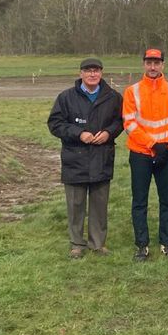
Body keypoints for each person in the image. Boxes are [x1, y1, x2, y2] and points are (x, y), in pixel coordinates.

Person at [47, 57, 123, 258]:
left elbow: (120, 121)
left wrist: (108, 133)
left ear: (101, 73)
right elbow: (55, 124)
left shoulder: (113, 97)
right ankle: (77, 244)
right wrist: (78, 133)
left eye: (96, 70)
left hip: (101, 157)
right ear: (80, 73)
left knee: (99, 205)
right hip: (75, 158)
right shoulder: (66, 97)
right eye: (88, 71)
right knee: (75, 204)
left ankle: (97, 243)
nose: (92, 74)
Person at [122, 48, 168, 261]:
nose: (152, 67)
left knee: (167, 200)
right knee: (139, 201)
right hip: (140, 153)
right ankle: (142, 245)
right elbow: (129, 123)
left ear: (162, 65)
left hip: (166, 153)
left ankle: (167, 243)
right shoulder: (132, 91)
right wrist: (152, 144)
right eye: (149, 62)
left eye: (156, 63)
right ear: (144, 64)